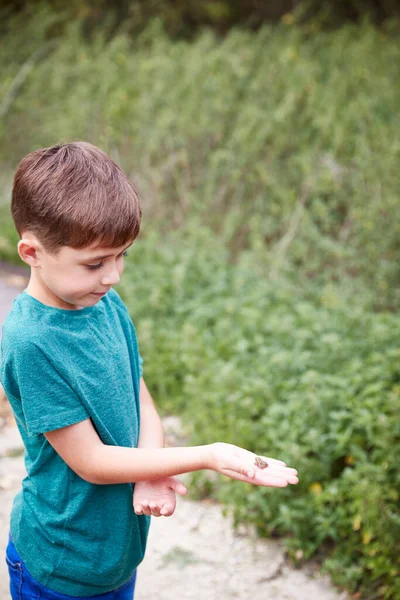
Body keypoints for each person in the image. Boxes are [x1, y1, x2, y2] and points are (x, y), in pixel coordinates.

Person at [0, 142, 299, 600]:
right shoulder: (31, 342)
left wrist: (149, 472)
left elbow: (139, 397)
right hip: (61, 564)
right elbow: (93, 462)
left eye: (122, 256)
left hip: (117, 555)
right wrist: (208, 455)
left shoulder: (105, 304)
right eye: (96, 263)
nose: (114, 276)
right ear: (31, 252)